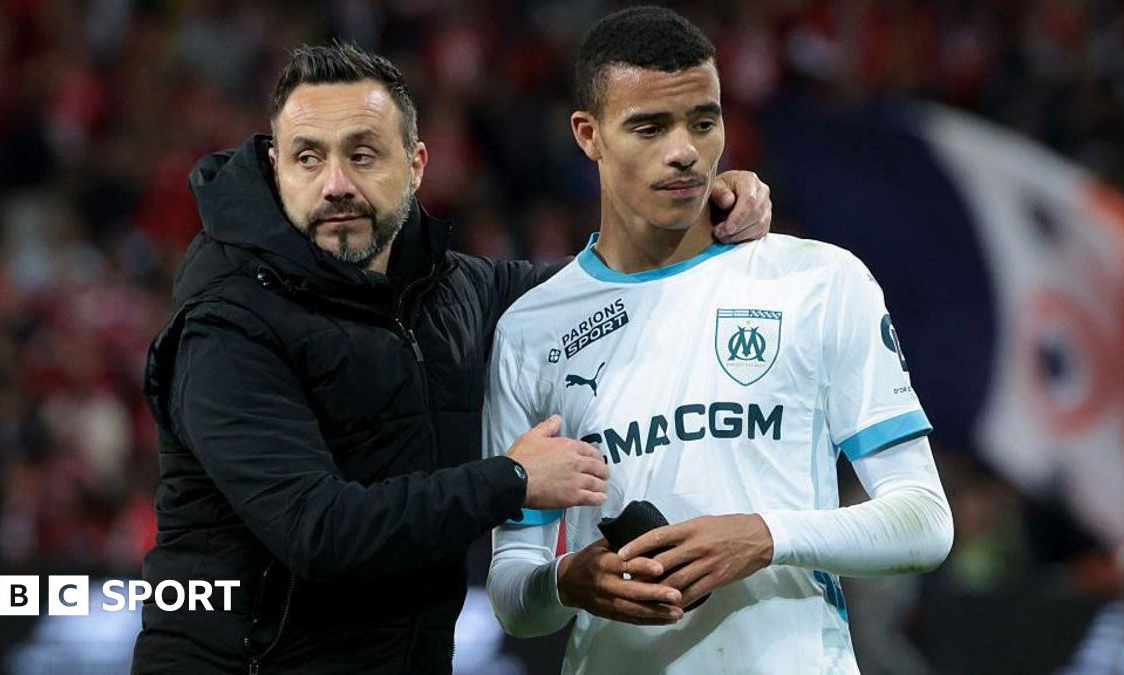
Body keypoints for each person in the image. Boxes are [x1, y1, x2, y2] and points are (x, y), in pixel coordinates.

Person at [130, 41, 773, 674]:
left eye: (362, 155)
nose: (335, 185)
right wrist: (511, 480)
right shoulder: (228, 325)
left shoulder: (454, 291)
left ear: (416, 164)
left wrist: (701, 209)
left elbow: (600, 289)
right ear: (276, 167)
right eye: (308, 158)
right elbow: (316, 530)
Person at [483, 7, 954, 674]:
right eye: (650, 127)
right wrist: (566, 582)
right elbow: (513, 588)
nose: (685, 150)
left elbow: (925, 521)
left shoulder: (818, 281)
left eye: (703, 122)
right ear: (588, 135)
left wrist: (764, 536)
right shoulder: (531, 330)